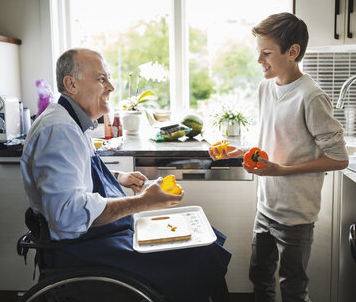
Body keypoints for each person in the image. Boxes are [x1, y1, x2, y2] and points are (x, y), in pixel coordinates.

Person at [21, 48, 231, 302]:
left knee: (205, 240)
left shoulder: (72, 122)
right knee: (201, 255)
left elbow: (76, 176)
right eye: (101, 79)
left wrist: (119, 177)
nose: (111, 86)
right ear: (71, 84)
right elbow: (68, 214)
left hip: (98, 239)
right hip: (82, 251)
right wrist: (143, 203)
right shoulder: (60, 130)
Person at [209, 13, 349, 302]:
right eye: (258, 52)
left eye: (266, 53)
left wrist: (282, 170)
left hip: (296, 215)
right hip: (266, 207)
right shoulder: (265, 87)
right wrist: (243, 151)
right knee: (259, 280)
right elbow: (272, 141)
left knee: (293, 288)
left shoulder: (310, 97)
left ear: (292, 52)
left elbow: (339, 159)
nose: (259, 60)